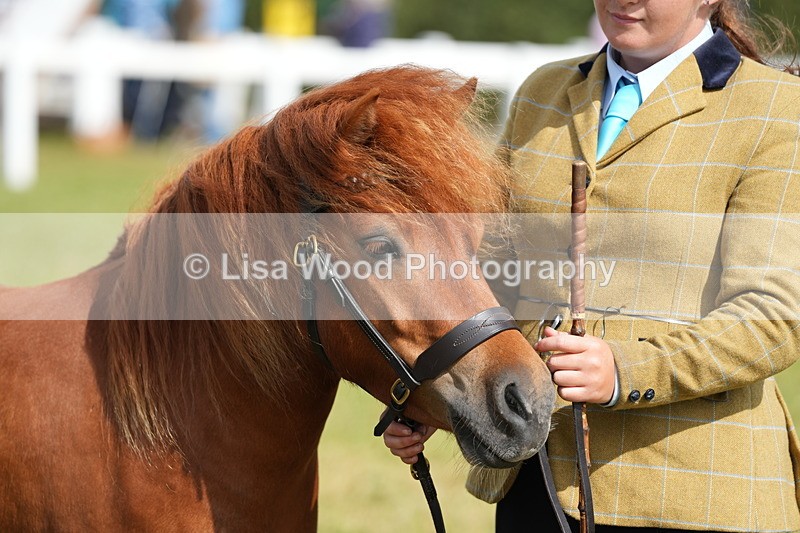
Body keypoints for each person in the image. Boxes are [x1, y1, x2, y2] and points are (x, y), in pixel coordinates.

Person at [383, 0, 800, 531]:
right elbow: (491, 276)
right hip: (534, 478)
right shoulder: (543, 92)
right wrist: (432, 397)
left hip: (694, 490)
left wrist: (625, 372)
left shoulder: (777, 109)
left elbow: (771, 317)